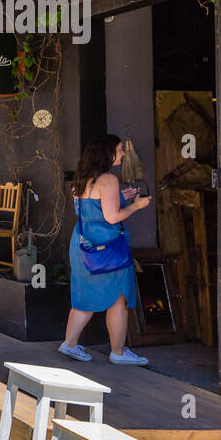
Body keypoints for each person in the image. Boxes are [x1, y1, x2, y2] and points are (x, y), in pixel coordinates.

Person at [60, 134, 153, 365]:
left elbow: (92, 210)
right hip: (108, 248)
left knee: (84, 297)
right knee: (118, 298)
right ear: (107, 153)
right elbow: (112, 217)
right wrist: (135, 206)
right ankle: (118, 352)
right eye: (120, 150)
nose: (123, 153)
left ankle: (69, 344)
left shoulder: (82, 179)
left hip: (83, 246)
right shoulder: (109, 180)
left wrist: (121, 197)